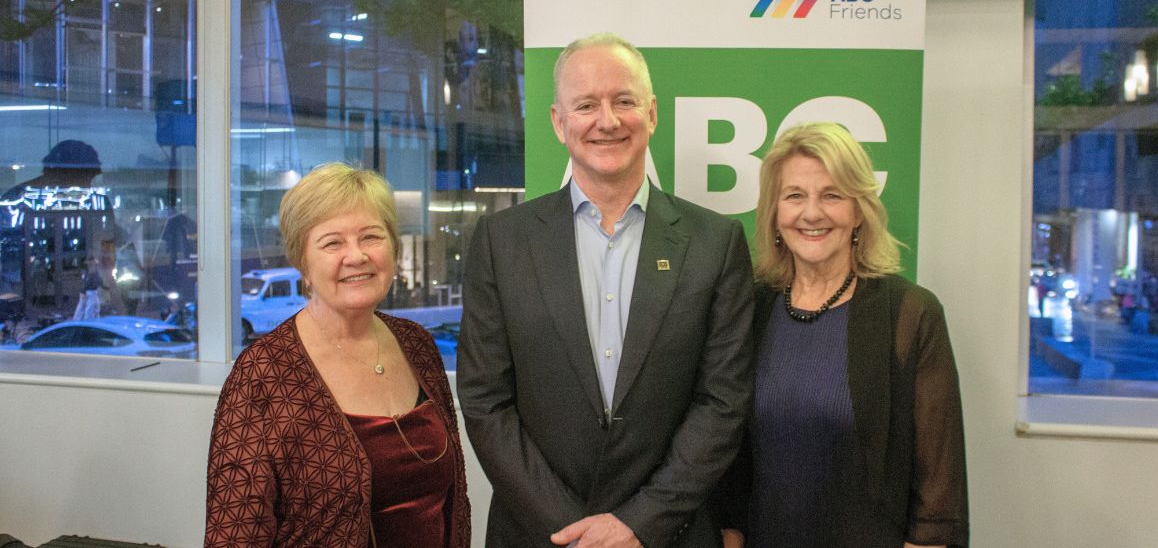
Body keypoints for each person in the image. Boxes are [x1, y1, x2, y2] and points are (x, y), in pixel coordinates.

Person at [457, 32, 754, 548]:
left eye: (624, 101)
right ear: (559, 121)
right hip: (541, 534)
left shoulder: (716, 243)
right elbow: (485, 401)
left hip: (669, 533)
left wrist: (639, 522)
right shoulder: (501, 241)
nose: (607, 120)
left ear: (652, 113)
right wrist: (573, 531)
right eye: (586, 105)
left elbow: (722, 402)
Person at [716, 122, 969, 548]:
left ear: (858, 211)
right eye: (795, 196)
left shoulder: (910, 315)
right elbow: (732, 463)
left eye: (831, 195)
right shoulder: (751, 309)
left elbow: (938, 492)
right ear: (775, 214)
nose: (811, 213)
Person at [205, 163, 470, 547]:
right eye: (332, 243)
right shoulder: (261, 375)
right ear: (303, 262)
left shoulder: (416, 345)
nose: (357, 255)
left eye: (371, 237)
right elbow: (234, 537)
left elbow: (453, 503)